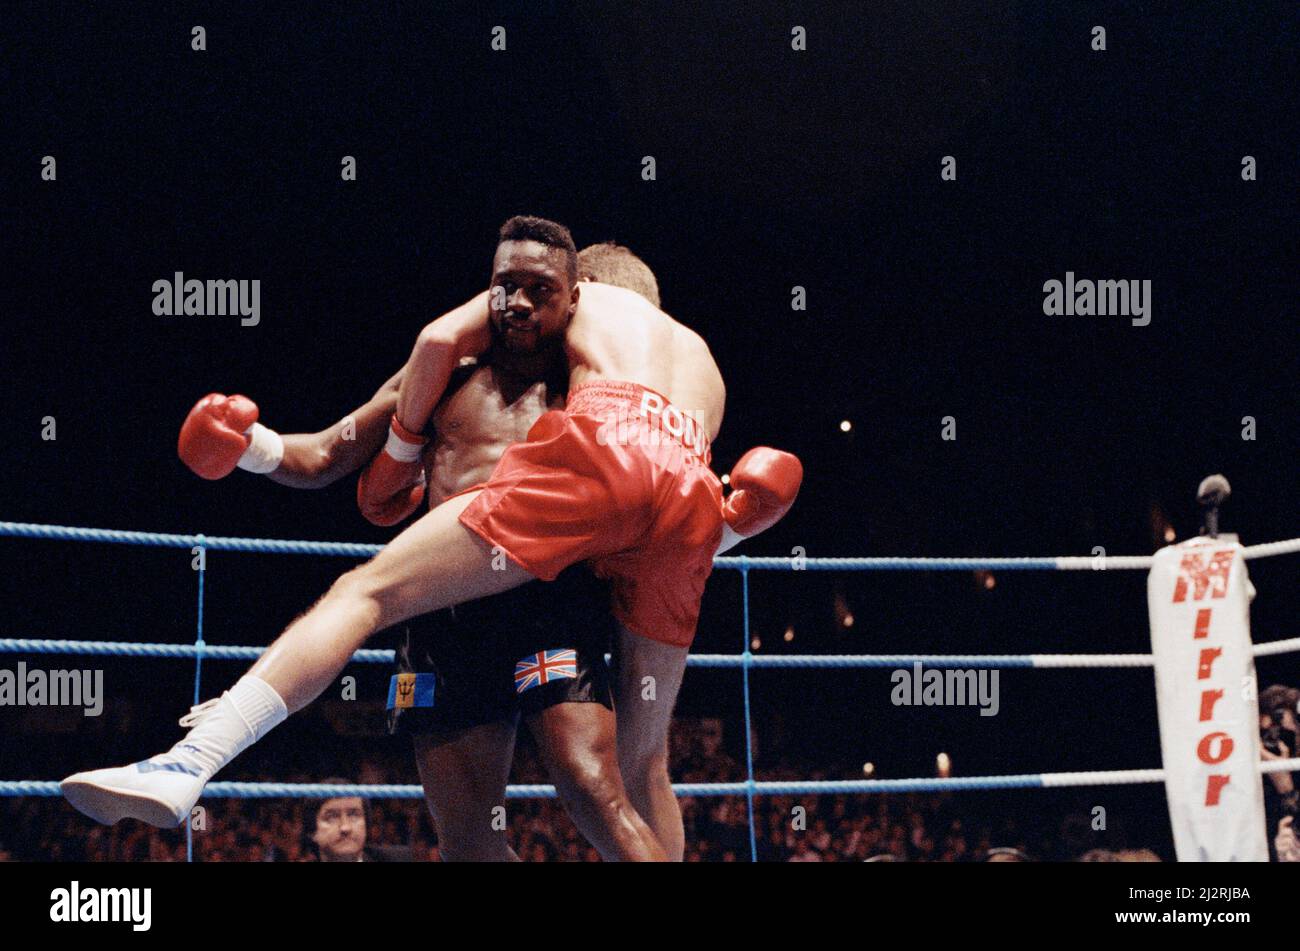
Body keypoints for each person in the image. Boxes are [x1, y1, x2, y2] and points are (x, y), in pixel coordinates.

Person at [61, 216, 802, 849]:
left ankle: (191, 757)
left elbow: (442, 334)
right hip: (458, 605)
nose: (518, 304)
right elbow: (321, 452)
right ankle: (186, 761)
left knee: (592, 779)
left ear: (578, 298)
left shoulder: (565, 358)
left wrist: (405, 446)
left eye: (541, 292)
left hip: (550, 594)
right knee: (487, 834)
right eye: (506, 289)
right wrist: (253, 447)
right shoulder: (485, 369)